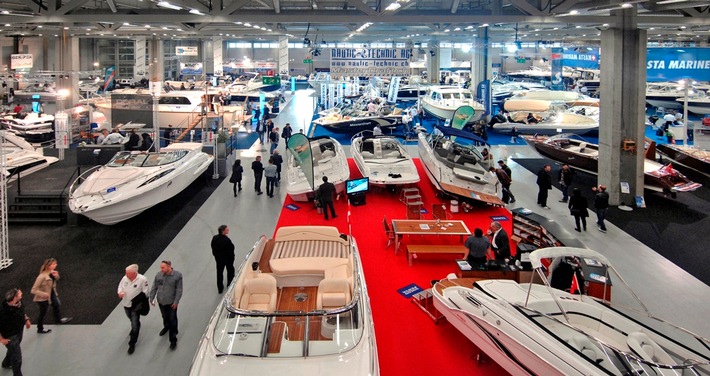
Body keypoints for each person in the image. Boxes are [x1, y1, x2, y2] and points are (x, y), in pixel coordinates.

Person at [30, 258, 72, 334]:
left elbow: (52, 283)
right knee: (43, 313)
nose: (55, 265)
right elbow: (33, 290)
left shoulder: (51, 273)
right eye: (53, 264)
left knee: (57, 305)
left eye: (55, 263)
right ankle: (40, 329)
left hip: (51, 294)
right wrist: (44, 294)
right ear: (48, 266)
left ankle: (58, 320)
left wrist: (56, 276)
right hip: (43, 299)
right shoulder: (41, 276)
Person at [149, 260, 182, 350]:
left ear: (169, 266)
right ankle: (166, 327)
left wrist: (176, 302)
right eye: (161, 267)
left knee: (173, 319)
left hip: (171, 303)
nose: (161, 269)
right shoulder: (158, 275)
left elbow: (179, 290)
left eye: (163, 267)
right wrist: (151, 298)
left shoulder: (177, 276)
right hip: (161, 302)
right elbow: (154, 286)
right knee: (164, 316)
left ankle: (173, 339)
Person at [117, 264, 149, 355]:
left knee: (135, 324)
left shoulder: (142, 279)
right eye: (126, 273)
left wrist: (138, 301)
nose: (126, 275)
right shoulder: (124, 278)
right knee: (131, 318)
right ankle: (135, 324)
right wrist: (120, 292)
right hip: (126, 304)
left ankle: (132, 343)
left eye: (128, 273)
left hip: (135, 307)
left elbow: (145, 292)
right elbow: (120, 287)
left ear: (134, 273)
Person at [0, 288, 31, 376]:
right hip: (10, 336)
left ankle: (6, 363)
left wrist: (26, 319)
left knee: (12, 350)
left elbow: (22, 312)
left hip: (19, 331)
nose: (21, 293)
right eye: (19, 293)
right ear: (14, 298)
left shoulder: (19, 303)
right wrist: (1, 339)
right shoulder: (3, 312)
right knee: (17, 359)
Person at [210, 225, 235, 294]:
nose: (228, 230)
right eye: (227, 229)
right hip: (227, 259)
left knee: (219, 273)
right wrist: (232, 258)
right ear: (223, 231)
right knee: (230, 271)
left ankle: (220, 288)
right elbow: (231, 248)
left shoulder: (215, 238)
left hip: (219, 260)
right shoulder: (226, 240)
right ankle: (230, 285)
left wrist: (216, 256)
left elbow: (213, 248)